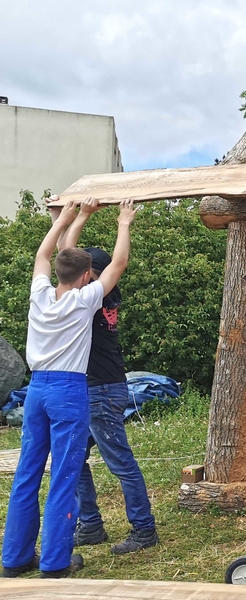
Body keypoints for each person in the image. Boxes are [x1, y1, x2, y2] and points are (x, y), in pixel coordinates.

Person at [2, 197, 136, 579]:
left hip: (36, 391)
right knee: (63, 474)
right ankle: (55, 561)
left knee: (28, 474)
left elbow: (46, 253)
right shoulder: (83, 301)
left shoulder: (39, 294)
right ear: (84, 277)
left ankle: (14, 559)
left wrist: (67, 219)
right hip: (68, 391)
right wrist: (124, 221)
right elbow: (119, 264)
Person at [49, 200, 158, 555]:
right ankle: (92, 525)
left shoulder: (89, 297)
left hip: (100, 391)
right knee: (73, 458)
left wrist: (123, 222)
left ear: (91, 275)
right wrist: (72, 217)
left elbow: (117, 261)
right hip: (96, 389)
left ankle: (144, 530)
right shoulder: (93, 292)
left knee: (120, 463)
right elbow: (68, 255)